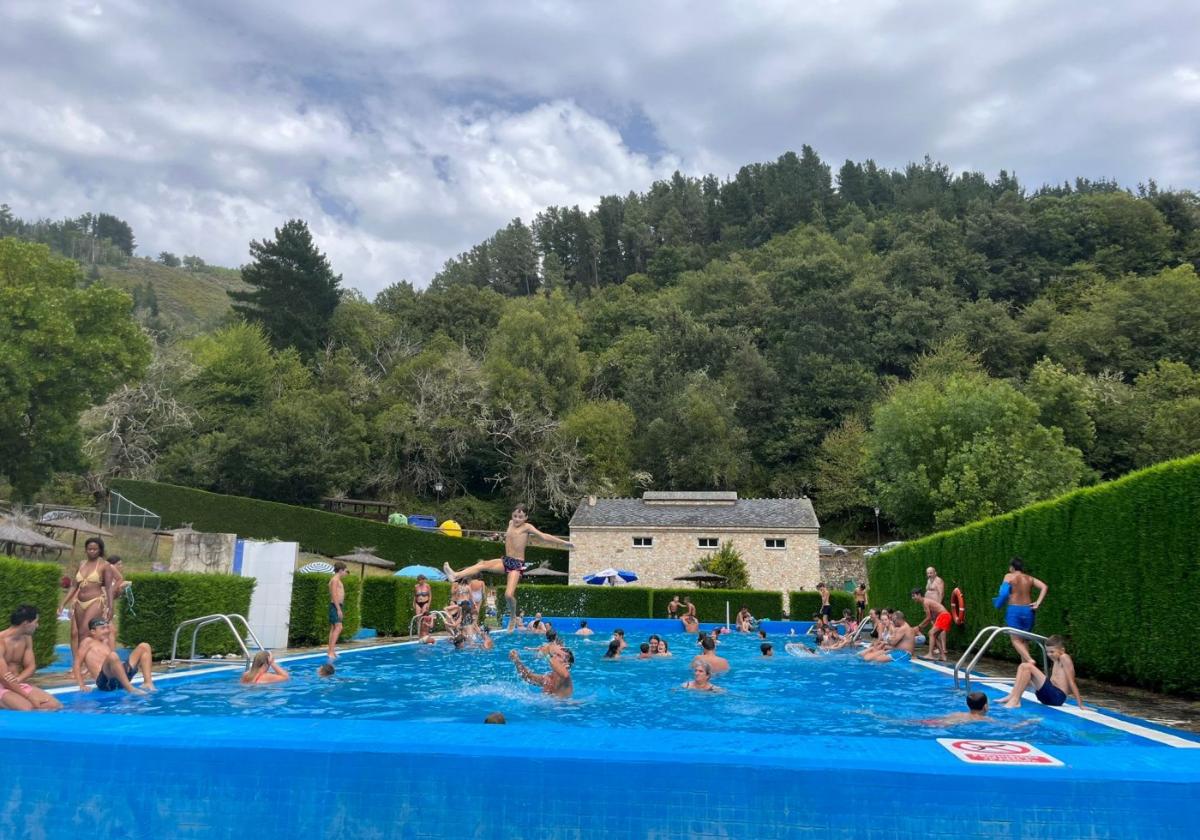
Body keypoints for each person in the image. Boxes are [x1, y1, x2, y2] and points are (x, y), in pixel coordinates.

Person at [444, 504, 574, 628]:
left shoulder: (527, 527)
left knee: (508, 595)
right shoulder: (510, 524)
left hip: (517, 565)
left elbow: (544, 536)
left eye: (520, 517)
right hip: (506, 561)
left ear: (526, 518)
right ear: (512, 516)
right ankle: (455, 575)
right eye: (515, 516)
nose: (517, 519)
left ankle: (513, 616)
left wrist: (564, 543)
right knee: (482, 564)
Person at [60, 537, 116, 662]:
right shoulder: (81, 564)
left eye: (95, 549)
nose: (92, 551)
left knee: (86, 631)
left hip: (95, 601)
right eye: (89, 549)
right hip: (80, 602)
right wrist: (63, 603)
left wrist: (111, 607)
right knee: (80, 634)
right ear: (86, 550)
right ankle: (84, 663)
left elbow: (108, 588)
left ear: (100, 550)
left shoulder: (104, 565)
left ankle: (87, 663)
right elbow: (74, 585)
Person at [0, 605, 62, 711]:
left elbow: (31, 667)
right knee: (28, 709)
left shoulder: (27, 638)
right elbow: (4, 678)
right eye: (35, 622)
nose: (37, 626)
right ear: (26, 623)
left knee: (55, 705)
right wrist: (30, 697)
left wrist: (18, 679)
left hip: (16, 684)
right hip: (2, 685)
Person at [1002, 635, 1085, 709]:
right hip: (1047, 696)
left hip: (1057, 697)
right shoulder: (1056, 660)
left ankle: (1015, 700)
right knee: (1023, 666)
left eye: (1052, 652)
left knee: (1028, 666)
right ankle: (1012, 696)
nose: (1049, 654)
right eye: (1047, 652)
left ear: (1062, 650)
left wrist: (1080, 704)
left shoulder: (1064, 657)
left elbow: (1072, 682)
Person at [74, 618, 155, 693]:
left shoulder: (105, 643)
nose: (106, 631)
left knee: (144, 646)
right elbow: (77, 664)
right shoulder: (88, 642)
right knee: (113, 655)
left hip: (120, 677)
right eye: (103, 628)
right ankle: (130, 688)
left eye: (107, 628)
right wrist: (81, 685)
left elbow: (114, 661)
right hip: (105, 681)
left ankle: (148, 683)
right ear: (93, 632)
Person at [994, 556, 1048, 663]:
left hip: (1014, 610)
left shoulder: (1009, 576)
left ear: (1012, 567)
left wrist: (998, 603)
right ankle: (1026, 668)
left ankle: (1029, 660)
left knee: (1015, 640)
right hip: (1029, 611)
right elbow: (1044, 587)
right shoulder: (1029, 578)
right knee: (1024, 641)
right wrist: (1038, 603)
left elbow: (1004, 593)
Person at [911, 589, 951, 661]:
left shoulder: (925, 602)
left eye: (914, 596)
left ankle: (930, 654)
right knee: (933, 635)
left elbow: (928, 618)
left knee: (931, 633)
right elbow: (931, 617)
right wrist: (920, 627)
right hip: (944, 616)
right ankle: (943, 656)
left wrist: (919, 627)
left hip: (944, 616)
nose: (912, 598)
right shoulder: (925, 602)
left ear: (919, 595)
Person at [922, 692, 994, 726]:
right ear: (985, 706)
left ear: (967, 704)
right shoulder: (986, 719)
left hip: (940, 722)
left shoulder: (957, 714)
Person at [327, 562, 348, 660]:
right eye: (345, 571)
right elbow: (334, 595)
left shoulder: (336, 580)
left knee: (333, 628)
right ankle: (331, 652)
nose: (345, 573)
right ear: (340, 570)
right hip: (335, 606)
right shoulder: (335, 580)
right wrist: (338, 609)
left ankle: (331, 651)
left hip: (336, 606)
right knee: (339, 627)